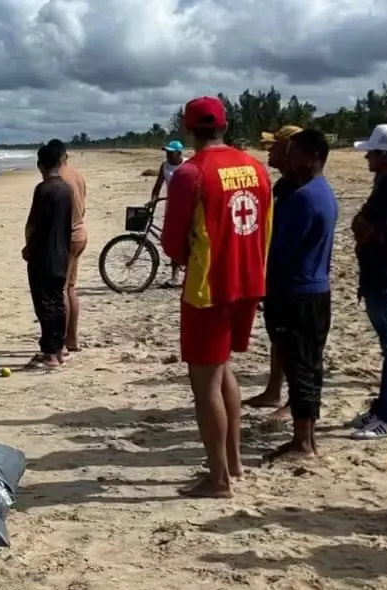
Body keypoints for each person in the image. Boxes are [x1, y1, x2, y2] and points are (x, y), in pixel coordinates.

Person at [162, 96, 272, 498]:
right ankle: (235, 463)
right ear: (224, 126)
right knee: (224, 369)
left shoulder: (192, 173)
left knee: (204, 381)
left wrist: (184, 252)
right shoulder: (254, 167)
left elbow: (173, 242)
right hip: (248, 280)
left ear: (188, 130)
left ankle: (219, 479)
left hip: (208, 287)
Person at [262, 129, 337, 461]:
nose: (288, 159)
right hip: (315, 290)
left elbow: (278, 250)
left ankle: (304, 443)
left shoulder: (303, 199)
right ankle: (306, 437)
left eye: (293, 153)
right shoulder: (321, 191)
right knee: (309, 365)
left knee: (300, 368)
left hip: (297, 293)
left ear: (310, 157)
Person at [242, 125, 303, 418]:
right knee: (277, 335)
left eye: (274, 147)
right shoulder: (281, 185)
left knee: (293, 340)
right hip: (275, 273)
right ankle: (273, 391)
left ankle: (293, 401)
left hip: (294, 279)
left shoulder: (300, 188)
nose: (268, 151)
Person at [348, 124, 387, 438]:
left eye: (372, 151)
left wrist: (361, 224)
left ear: (385, 155)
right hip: (384, 276)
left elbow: (362, 227)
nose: (367, 156)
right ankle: (384, 409)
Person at [22, 142, 73, 369]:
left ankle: (50, 353)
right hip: (62, 252)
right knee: (57, 302)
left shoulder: (43, 190)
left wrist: (27, 245)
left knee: (45, 305)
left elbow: (32, 224)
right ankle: (59, 348)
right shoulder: (66, 188)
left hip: (43, 255)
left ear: (40, 165)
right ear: (60, 163)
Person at [46, 139, 88, 353]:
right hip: (80, 233)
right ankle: (71, 339)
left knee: (59, 290)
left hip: (66, 236)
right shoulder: (77, 175)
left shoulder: (57, 179)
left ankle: (61, 342)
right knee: (70, 288)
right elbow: (83, 206)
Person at [150, 140, 188, 287]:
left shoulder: (188, 164)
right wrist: (153, 200)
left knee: (187, 240)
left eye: (170, 152)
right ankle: (174, 276)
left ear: (179, 153)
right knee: (174, 240)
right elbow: (158, 185)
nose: (167, 155)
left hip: (187, 206)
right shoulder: (165, 166)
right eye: (167, 152)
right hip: (171, 206)